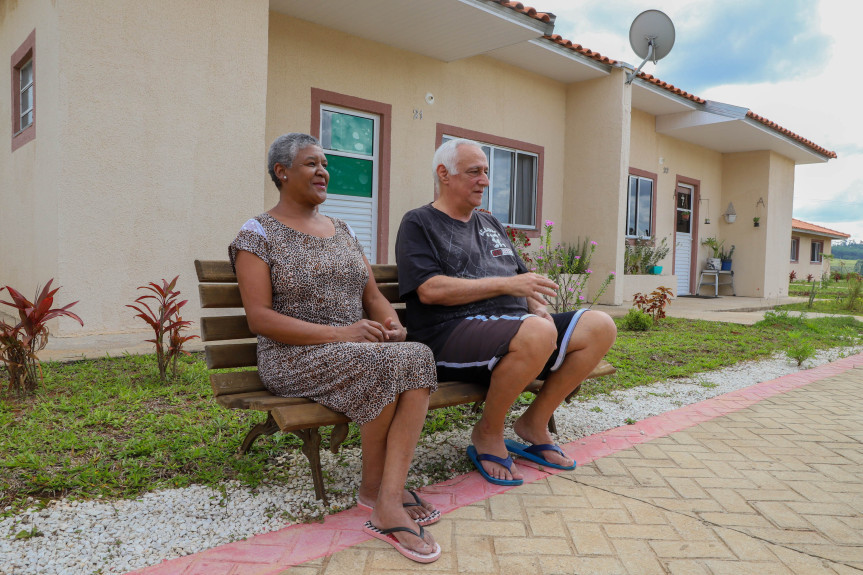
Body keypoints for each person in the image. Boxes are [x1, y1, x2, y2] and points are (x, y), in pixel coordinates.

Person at [230, 133, 440, 563]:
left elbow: (373, 294)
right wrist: (342, 333)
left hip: (354, 349)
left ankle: (385, 492)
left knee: (416, 354)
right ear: (281, 172)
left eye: (325, 164)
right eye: (311, 163)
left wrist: (391, 324)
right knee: (378, 363)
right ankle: (382, 500)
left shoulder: (342, 229)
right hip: (292, 356)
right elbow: (260, 317)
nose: (323, 171)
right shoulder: (257, 233)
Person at [395, 138, 617, 486]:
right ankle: (488, 432)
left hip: (516, 330)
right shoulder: (420, 223)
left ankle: (534, 422)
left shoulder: (489, 223)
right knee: (536, 332)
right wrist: (509, 291)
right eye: (474, 172)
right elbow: (429, 289)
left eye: (485, 172)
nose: (484, 180)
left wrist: (538, 306)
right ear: (444, 174)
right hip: (450, 332)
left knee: (600, 325)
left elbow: (520, 279)